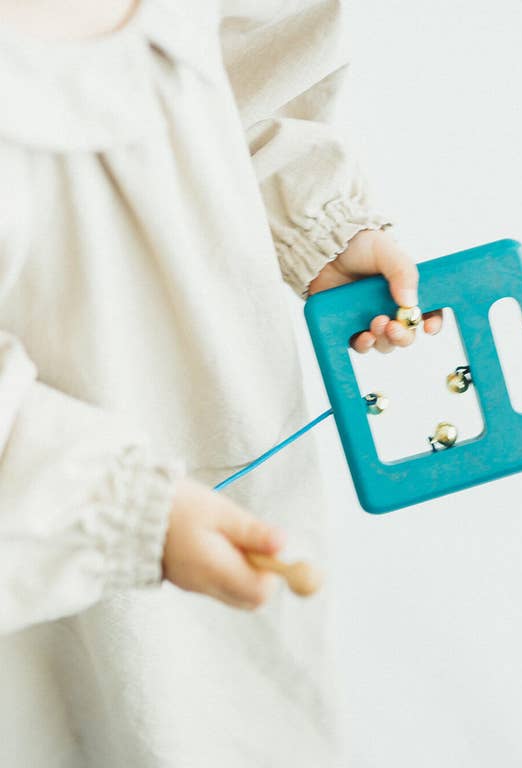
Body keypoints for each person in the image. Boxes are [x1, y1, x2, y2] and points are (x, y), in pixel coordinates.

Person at [0, 1, 442, 765]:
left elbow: (255, 54)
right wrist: (104, 499)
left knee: (209, 714)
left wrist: (311, 215)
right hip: (30, 527)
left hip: (218, 442)